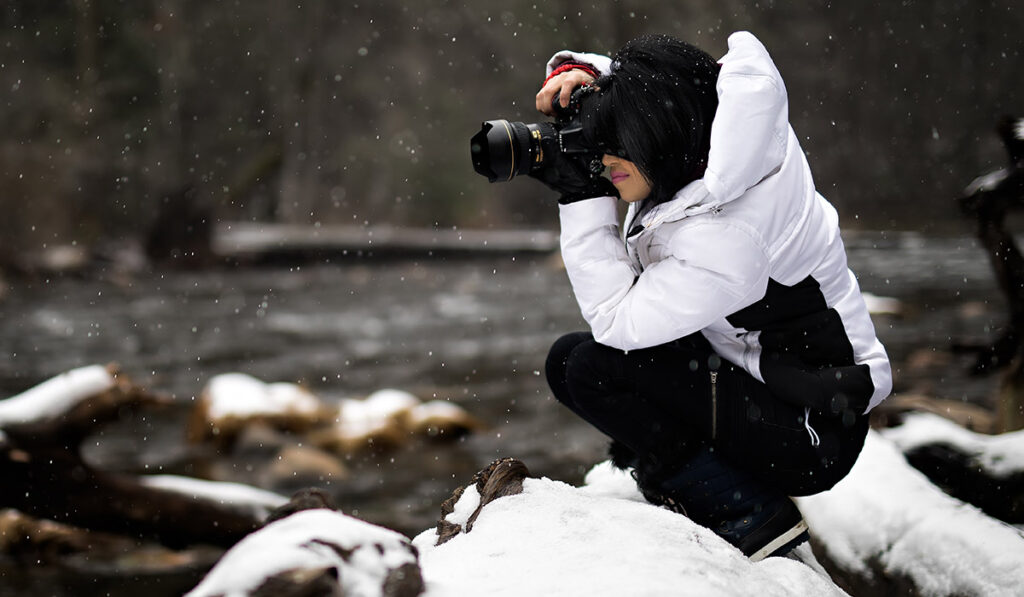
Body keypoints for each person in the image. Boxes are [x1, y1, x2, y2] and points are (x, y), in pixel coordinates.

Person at [531, 32, 892, 561]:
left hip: (812, 431)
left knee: (592, 367)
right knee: (569, 361)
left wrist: (582, 198)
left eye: (615, 141)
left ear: (659, 137)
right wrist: (588, 77)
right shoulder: (721, 143)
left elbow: (615, 320)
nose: (602, 156)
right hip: (776, 387)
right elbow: (674, 86)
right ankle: (699, 479)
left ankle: (747, 513)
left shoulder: (728, 237)